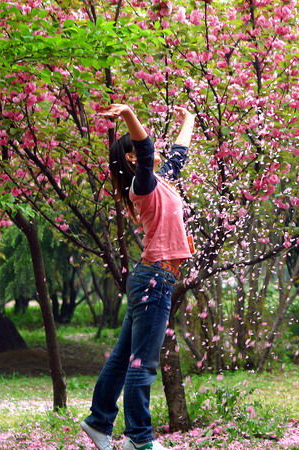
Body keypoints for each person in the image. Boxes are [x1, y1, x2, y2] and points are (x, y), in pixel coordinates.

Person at [81, 104, 195, 450]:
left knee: (122, 357)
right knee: (142, 363)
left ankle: (98, 422)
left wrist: (189, 118)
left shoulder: (161, 182)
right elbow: (147, 151)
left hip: (153, 277)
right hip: (154, 279)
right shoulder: (142, 183)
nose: (153, 151)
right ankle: (139, 439)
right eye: (139, 150)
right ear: (130, 159)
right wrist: (130, 113)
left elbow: (178, 155)